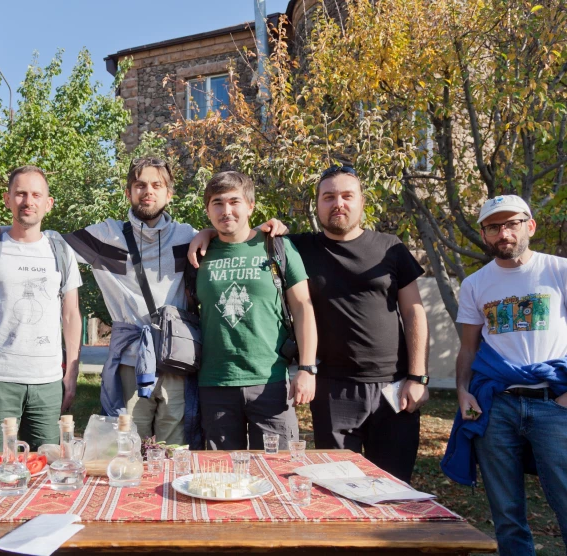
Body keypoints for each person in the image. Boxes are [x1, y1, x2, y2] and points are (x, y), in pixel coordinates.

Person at [0, 157, 286, 448]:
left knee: (175, 445)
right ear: (129, 193)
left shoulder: (188, 236)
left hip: (177, 361)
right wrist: (0, 229)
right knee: (127, 443)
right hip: (130, 361)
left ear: (169, 194)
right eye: (140, 185)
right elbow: (47, 241)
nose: (148, 191)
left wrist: (258, 229)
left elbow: (231, 233)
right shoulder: (106, 237)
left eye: (157, 185)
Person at [286, 164, 429, 483]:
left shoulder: (390, 247)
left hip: (393, 387)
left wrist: (418, 377)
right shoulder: (298, 247)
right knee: (337, 486)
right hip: (333, 390)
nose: (338, 203)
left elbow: (414, 312)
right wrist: (208, 233)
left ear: (362, 202)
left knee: (393, 486)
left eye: (347, 196)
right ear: (318, 204)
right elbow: (245, 237)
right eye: (329, 196)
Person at [442, 194, 567, 555]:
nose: (503, 233)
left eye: (511, 223)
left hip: (553, 404)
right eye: (494, 227)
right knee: (508, 517)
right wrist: (463, 391)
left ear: (529, 225)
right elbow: (469, 349)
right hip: (496, 406)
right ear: (484, 234)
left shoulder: (558, 270)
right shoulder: (475, 284)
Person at [0, 166, 82, 451]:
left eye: (36, 194)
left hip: (48, 383)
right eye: (21, 193)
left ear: (48, 203)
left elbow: (72, 315)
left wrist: (71, 372)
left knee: (47, 473)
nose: (28, 201)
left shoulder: (61, 252)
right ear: (7, 199)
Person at [194, 171, 318, 450]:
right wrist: (204, 235)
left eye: (234, 201)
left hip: (270, 381)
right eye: (217, 203)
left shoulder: (276, 246)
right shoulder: (199, 253)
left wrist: (307, 368)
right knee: (221, 476)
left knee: (278, 471)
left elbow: (302, 308)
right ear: (208, 210)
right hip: (215, 384)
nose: (226, 210)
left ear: (250, 206)